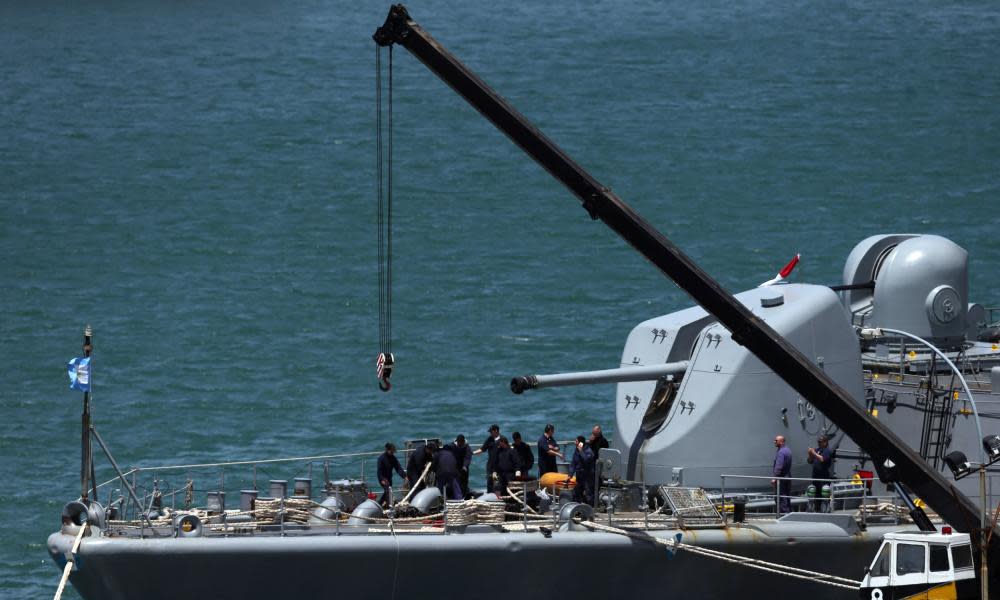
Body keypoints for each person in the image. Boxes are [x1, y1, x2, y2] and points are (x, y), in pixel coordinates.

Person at [807, 434, 835, 512]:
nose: (818, 443)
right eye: (818, 442)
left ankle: (825, 510)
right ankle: (816, 510)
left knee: (824, 494)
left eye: (820, 442)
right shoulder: (817, 450)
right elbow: (810, 461)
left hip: (823, 478)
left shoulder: (827, 451)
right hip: (815, 477)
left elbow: (822, 459)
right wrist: (810, 454)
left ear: (825, 442)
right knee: (815, 494)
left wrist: (814, 453)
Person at [376, 443, 407, 508]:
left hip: (389, 477)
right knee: (388, 491)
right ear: (387, 450)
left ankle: (379, 504)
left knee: (387, 492)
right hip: (383, 478)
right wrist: (382, 479)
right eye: (391, 451)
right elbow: (379, 471)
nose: (393, 452)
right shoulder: (381, 458)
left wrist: (404, 476)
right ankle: (388, 506)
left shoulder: (393, 458)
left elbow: (398, 468)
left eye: (393, 451)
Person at [567, 435, 596, 505]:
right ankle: (576, 507)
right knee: (576, 492)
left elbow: (586, 461)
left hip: (587, 476)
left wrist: (581, 452)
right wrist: (570, 474)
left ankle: (591, 509)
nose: (575, 443)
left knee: (588, 493)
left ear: (580, 443)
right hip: (579, 475)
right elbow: (573, 463)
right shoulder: (577, 450)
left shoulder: (589, 451)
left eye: (576, 441)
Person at [473, 424, 501, 493]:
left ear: (496, 431)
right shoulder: (489, 439)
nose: (490, 433)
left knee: (497, 482)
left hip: (499, 464)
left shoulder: (502, 439)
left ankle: (498, 497)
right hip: (490, 464)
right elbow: (483, 449)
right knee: (489, 481)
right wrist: (472, 453)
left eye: (491, 431)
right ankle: (489, 494)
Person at [772, 435, 792, 514]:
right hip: (788, 477)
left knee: (780, 497)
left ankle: (783, 514)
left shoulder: (781, 452)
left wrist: (774, 478)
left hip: (781, 478)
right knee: (786, 497)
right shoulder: (788, 450)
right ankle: (788, 513)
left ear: (781, 441)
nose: (774, 442)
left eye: (776, 440)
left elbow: (778, 467)